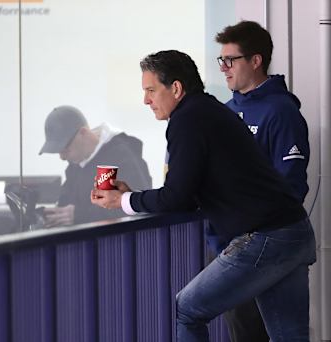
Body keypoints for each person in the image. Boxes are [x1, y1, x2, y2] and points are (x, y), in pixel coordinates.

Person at [90, 50, 316, 341]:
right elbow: (193, 187)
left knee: (187, 309)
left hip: (265, 236)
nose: (146, 100)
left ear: (176, 88)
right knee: (290, 336)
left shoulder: (187, 120)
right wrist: (134, 195)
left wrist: (122, 201)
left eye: (150, 90)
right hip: (294, 232)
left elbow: (177, 197)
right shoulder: (212, 111)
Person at [211, 20, 311, 342]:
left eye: (231, 60)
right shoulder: (224, 113)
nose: (224, 68)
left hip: (268, 245)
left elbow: (291, 186)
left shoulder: (281, 111)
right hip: (231, 246)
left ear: (256, 61)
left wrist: (252, 230)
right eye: (221, 61)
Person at [39, 105, 152, 227]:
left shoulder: (117, 156)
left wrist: (78, 215)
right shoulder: (76, 164)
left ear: (83, 133)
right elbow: (66, 202)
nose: (62, 157)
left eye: (65, 149)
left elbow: (136, 206)